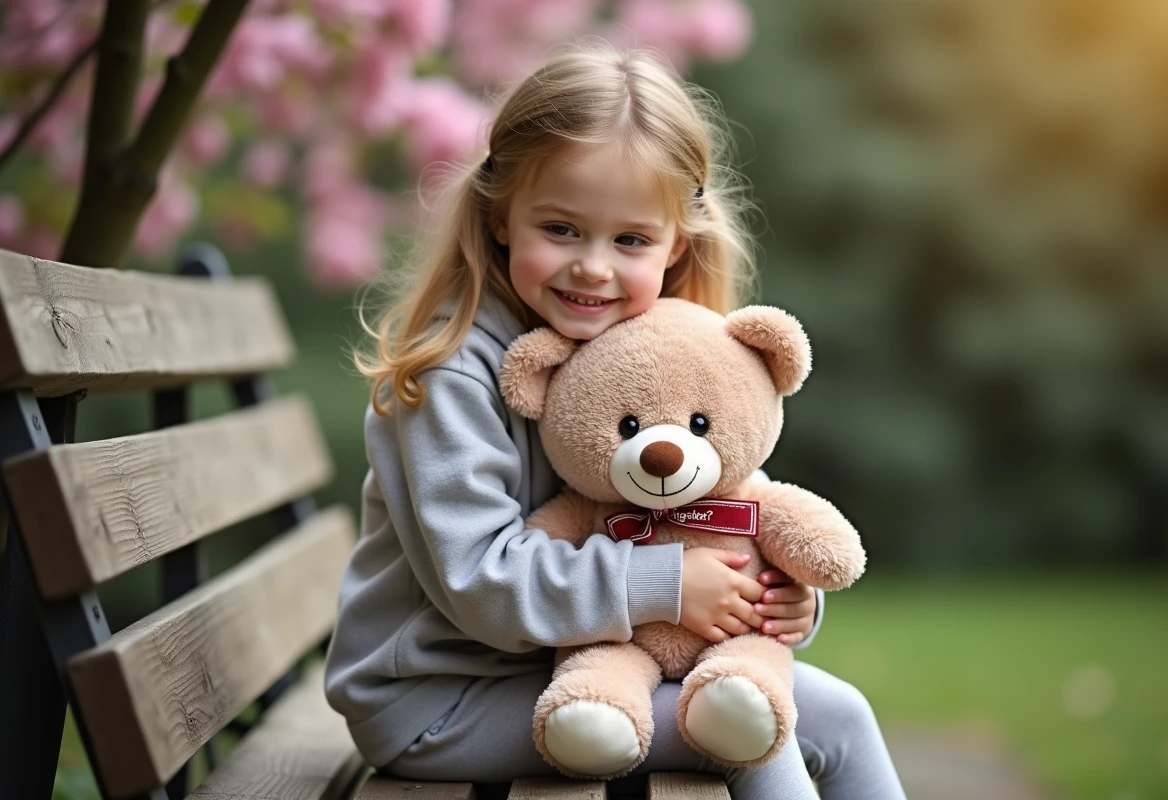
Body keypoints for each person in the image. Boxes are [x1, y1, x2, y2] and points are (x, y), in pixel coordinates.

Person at [325, 44, 907, 800]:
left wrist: (779, 594)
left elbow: (724, 501)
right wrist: (668, 584)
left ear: (675, 247)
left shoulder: (639, 350)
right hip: (439, 700)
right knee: (754, 735)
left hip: (565, 667)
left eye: (629, 240)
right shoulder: (452, 374)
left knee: (842, 715)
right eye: (561, 228)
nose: (593, 267)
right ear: (501, 217)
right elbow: (483, 583)